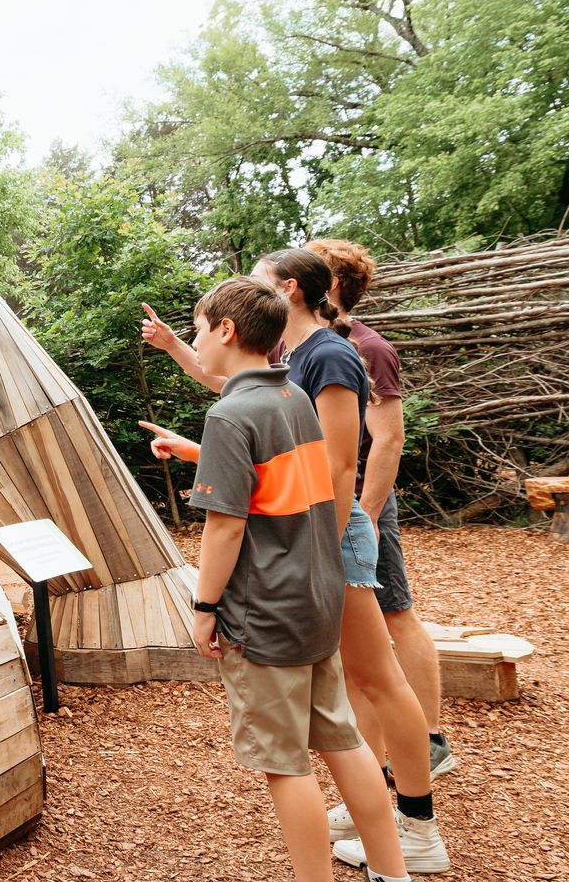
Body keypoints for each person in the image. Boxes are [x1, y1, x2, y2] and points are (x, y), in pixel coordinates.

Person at [142, 250, 450, 875]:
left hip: (272, 603)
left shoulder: (254, 400)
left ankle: (374, 847)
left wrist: (204, 606)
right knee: (343, 739)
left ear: (227, 330)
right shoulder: (292, 393)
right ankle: (393, 869)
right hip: (313, 595)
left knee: (287, 764)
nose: (197, 338)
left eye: (200, 328)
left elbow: (228, 525)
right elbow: (289, 477)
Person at [306, 237, 457, 783]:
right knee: (363, 636)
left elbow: (387, 440)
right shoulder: (306, 345)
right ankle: (374, 763)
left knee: (395, 612)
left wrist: (366, 513)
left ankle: (432, 742)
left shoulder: (369, 349)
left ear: (333, 284)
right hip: (335, 501)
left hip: (362, 501)